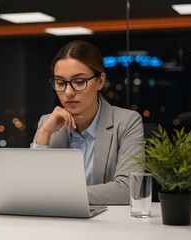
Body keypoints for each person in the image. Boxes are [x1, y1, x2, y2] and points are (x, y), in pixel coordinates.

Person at [31, 40, 145, 205]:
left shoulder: (127, 122)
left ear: (100, 81)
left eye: (79, 82)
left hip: (108, 225)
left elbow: (128, 189)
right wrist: (44, 134)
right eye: (61, 83)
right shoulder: (47, 123)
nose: (68, 93)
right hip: (57, 224)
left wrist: (64, 195)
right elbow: (32, 189)